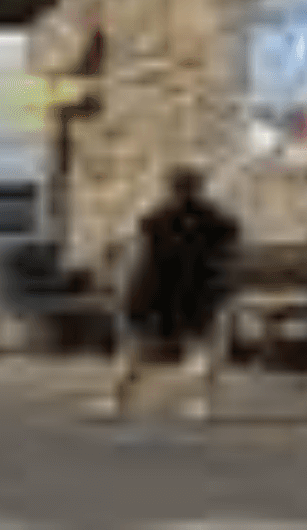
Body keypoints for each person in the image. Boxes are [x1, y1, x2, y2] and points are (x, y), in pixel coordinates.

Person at [100, 164, 240, 421]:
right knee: (200, 347)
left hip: (155, 289)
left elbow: (138, 257)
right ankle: (202, 405)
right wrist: (222, 287)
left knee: (134, 347)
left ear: (169, 187)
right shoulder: (217, 221)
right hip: (196, 291)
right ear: (199, 188)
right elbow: (229, 256)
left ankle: (116, 401)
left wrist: (124, 290)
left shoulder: (155, 218)